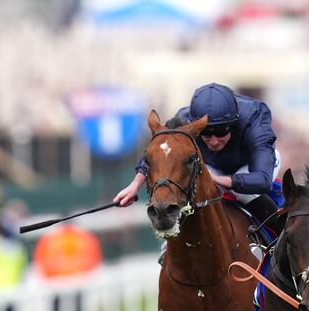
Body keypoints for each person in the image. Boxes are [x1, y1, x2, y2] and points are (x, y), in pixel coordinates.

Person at [114, 82, 282, 225]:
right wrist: (134, 186)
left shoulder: (255, 116)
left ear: (234, 123)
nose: (214, 141)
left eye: (221, 132)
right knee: (189, 188)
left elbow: (263, 179)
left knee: (242, 193)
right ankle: (168, 247)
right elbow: (160, 153)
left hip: (251, 165)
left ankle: (281, 239)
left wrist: (216, 180)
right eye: (207, 133)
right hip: (211, 166)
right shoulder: (183, 119)